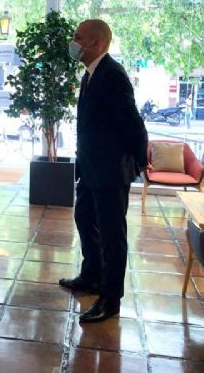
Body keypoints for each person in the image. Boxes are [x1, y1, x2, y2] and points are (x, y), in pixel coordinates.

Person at [59, 19, 149, 323]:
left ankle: (110, 300)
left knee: (112, 235)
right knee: (85, 219)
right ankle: (91, 277)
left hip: (110, 171)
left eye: (78, 37)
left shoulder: (112, 74)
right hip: (91, 168)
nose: (73, 43)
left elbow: (132, 122)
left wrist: (141, 160)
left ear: (96, 43)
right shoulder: (91, 74)